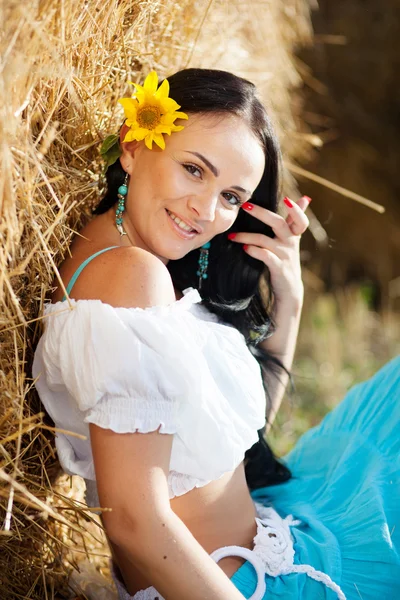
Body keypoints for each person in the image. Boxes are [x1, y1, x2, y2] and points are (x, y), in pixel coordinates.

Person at [32, 68, 400, 600]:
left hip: (272, 547)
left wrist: (288, 301)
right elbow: (133, 519)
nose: (205, 212)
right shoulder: (133, 277)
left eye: (231, 196)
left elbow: (228, 449)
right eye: (192, 169)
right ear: (133, 148)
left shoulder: (127, 264)